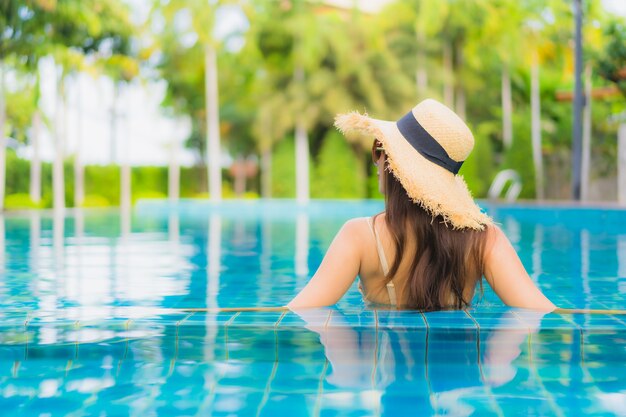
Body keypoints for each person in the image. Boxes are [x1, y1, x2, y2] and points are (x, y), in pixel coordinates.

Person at [288, 99, 556, 311]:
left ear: (391, 162)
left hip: (383, 371)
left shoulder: (359, 237)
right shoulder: (484, 240)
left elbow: (302, 311)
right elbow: (539, 311)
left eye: (380, 150)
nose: (377, 161)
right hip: (460, 376)